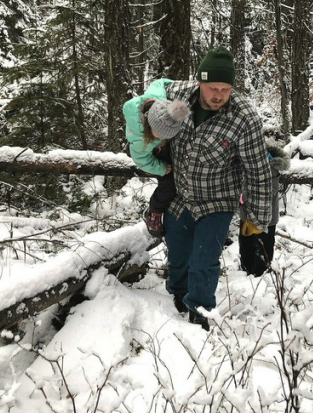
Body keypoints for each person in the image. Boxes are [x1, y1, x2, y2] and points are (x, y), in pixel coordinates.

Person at [163, 46, 273, 330]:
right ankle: (177, 292)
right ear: (199, 81)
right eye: (212, 87)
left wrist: (258, 219)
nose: (218, 95)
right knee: (177, 253)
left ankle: (201, 313)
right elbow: (146, 99)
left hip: (218, 200)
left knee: (204, 261)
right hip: (181, 195)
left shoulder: (244, 116)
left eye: (225, 89)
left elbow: (258, 170)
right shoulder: (176, 94)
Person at [123, 79, 191, 238]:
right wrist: (160, 167)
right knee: (169, 183)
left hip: (159, 142)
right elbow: (141, 160)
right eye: (161, 135)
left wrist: (175, 84)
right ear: (150, 125)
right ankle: (154, 212)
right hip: (153, 151)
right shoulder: (141, 140)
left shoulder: (157, 98)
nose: (164, 137)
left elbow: (160, 83)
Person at [239, 139, 289, 276]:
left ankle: (260, 274)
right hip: (247, 213)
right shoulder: (245, 159)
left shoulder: (271, 164)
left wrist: (246, 195)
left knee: (264, 248)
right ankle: (246, 271)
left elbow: (270, 190)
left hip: (266, 216)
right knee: (246, 246)